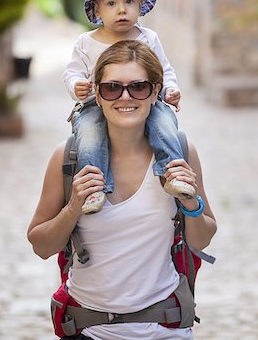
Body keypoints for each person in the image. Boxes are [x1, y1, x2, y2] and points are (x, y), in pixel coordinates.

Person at [28, 40, 217, 340]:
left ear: (156, 92)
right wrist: (73, 206)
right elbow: (41, 246)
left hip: (165, 329)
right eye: (112, 88)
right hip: (87, 330)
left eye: (139, 87)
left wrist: (190, 201)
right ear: (97, 96)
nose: (125, 97)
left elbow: (202, 238)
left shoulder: (180, 151)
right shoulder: (68, 158)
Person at [64, 0, 193, 215]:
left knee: (165, 123)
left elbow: (164, 70)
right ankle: (95, 186)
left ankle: (173, 174)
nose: (121, 10)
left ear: (140, 4)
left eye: (129, 2)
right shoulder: (86, 42)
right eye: (111, 3)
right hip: (97, 104)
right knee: (89, 134)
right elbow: (71, 73)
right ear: (97, 10)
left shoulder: (147, 38)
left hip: (146, 101)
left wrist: (170, 89)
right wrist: (76, 85)